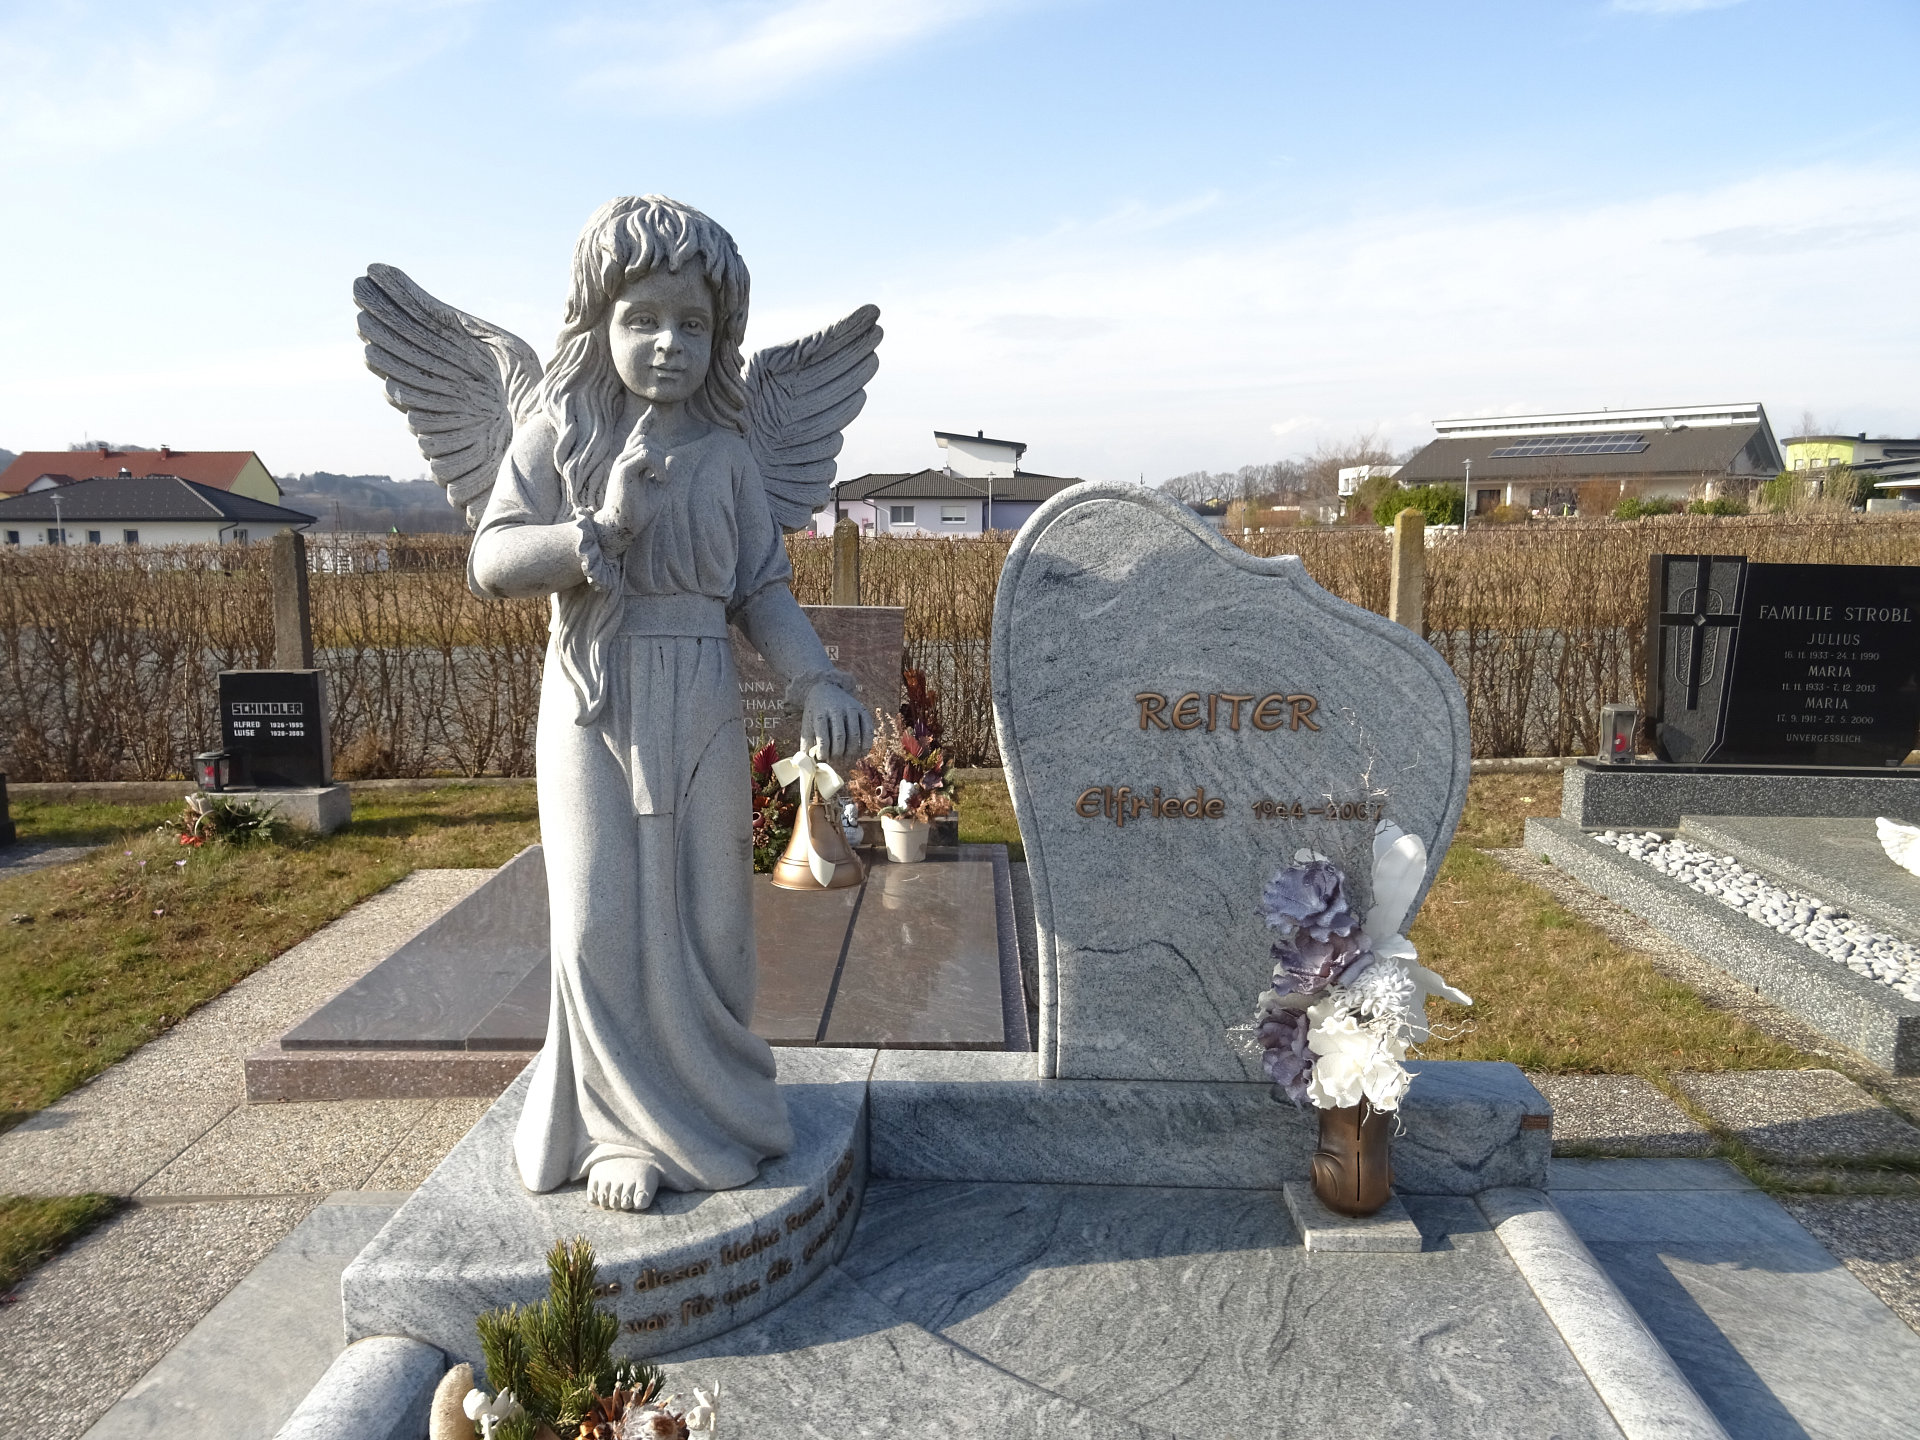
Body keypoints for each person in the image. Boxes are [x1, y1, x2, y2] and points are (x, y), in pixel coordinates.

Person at [469, 196, 872, 1212]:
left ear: (721, 334)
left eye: (693, 324)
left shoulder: (729, 455)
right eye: (643, 319)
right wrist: (595, 531)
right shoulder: (558, 433)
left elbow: (762, 588)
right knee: (597, 919)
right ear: (596, 321)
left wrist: (816, 678)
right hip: (593, 697)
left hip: (699, 697)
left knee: (713, 920)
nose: (668, 343)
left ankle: (712, 1111)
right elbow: (493, 558)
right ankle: (616, 1132)